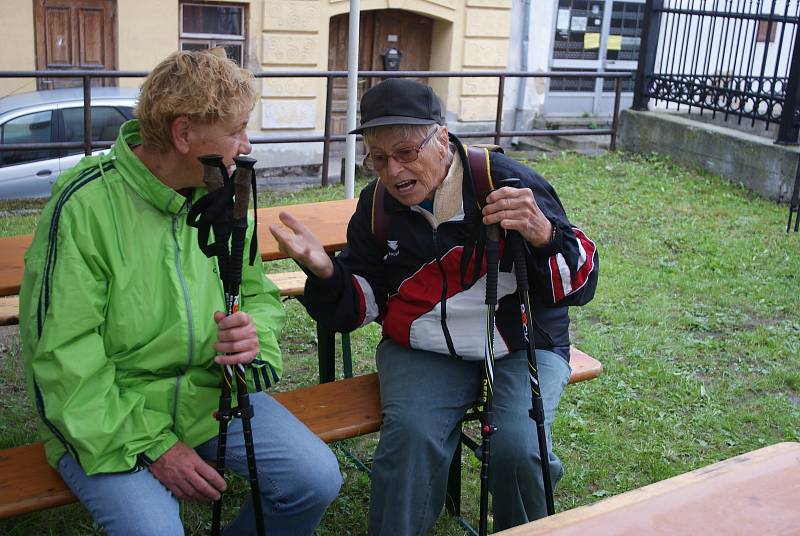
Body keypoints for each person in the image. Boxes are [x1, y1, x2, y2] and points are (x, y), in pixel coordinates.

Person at [19, 49, 341, 536]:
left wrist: (254, 341)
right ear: (184, 133)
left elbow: (257, 296)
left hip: (206, 397)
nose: (245, 143)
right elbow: (63, 358)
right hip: (107, 417)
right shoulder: (83, 208)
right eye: (236, 130)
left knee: (314, 479)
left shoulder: (225, 191)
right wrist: (157, 448)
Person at [270, 78, 599, 534]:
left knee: (519, 448)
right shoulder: (376, 204)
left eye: (406, 152)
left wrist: (543, 235)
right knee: (408, 443)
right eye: (378, 158)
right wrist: (325, 271)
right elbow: (361, 301)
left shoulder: (503, 180)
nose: (393, 170)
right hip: (422, 347)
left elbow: (581, 281)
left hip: (519, 341)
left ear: (441, 138)